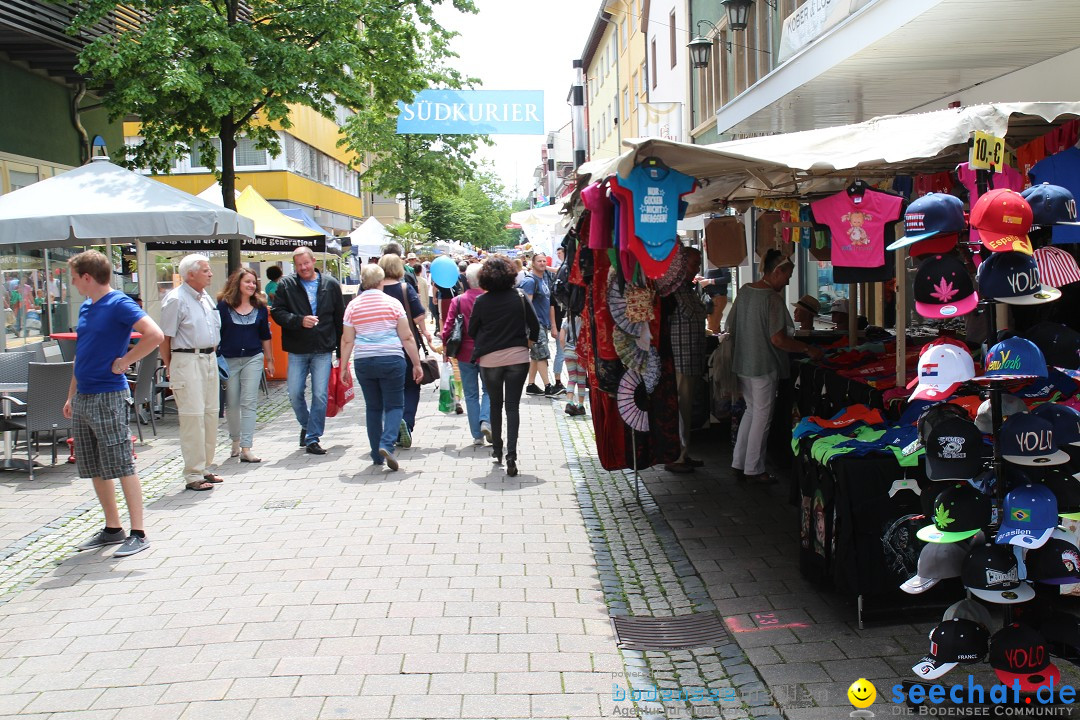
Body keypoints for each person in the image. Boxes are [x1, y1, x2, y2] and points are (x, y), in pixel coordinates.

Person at [65, 250, 164, 557]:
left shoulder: (118, 302)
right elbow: (83, 353)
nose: (72, 283)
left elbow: (155, 334)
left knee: (121, 462)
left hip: (108, 395)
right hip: (84, 395)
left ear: (87, 277)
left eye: (73, 277)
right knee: (94, 464)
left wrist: (124, 362)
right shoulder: (86, 306)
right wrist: (71, 394)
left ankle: (138, 531)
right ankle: (112, 528)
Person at [727, 249, 824, 484]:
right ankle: (754, 468)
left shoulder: (744, 291)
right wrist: (806, 348)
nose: (787, 281)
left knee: (751, 413)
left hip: (742, 363)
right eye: (787, 276)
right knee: (761, 417)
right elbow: (778, 339)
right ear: (777, 272)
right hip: (762, 365)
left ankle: (739, 463)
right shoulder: (771, 298)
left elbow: (731, 325)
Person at [340, 264, 423, 471]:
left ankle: (376, 455)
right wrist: (416, 363)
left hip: (364, 360)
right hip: (391, 359)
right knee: (395, 405)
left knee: (373, 407)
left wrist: (343, 367)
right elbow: (406, 336)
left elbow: (347, 340)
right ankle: (387, 444)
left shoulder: (353, 306)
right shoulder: (393, 304)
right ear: (380, 281)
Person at [469, 255, 540, 477]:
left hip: (490, 361)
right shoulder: (519, 296)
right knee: (512, 407)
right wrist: (525, 345)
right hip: (518, 358)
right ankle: (512, 455)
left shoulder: (481, 301)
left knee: (495, 406)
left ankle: (497, 450)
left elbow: (471, 331)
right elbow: (535, 326)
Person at [270, 246, 345, 455]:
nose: (303, 267)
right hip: (297, 347)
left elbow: (340, 318)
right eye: (299, 264)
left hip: (323, 348)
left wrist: (342, 351)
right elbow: (277, 313)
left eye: (306, 263)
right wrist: (298, 321)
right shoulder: (287, 285)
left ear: (313, 261)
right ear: (294, 266)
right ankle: (307, 424)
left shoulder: (330, 284)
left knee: (320, 395)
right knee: (294, 393)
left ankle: (313, 437)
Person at [160, 254, 224, 491]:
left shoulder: (205, 297)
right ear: (191, 274)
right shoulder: (176, 299)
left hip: (208, 358)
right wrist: (170, 367)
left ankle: (205, 466)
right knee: (192, 417)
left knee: (210, 413)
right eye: (205, 270)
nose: (210, 274)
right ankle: (193, 473)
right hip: (186, 359)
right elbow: (164, 338)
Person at [217, 268, 274, 463]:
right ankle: (235, 440)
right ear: (237, 284)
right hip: (229, 359)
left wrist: (270, 359)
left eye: (254, 282)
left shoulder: (259, 306)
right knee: (231, 404)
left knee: (249, 402)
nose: (251, 285)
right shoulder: (224, 306)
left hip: (253, 357)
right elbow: (217, 332)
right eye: (247, 282)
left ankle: (246, 447)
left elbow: (265, 335)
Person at [666, 248, 710, 474]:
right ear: (682, 265)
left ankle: (685, 453)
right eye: (694, 264)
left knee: (688, 409)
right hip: (680, 360)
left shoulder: (690, 290)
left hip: (692, 359)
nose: (698, 268)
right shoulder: (671, 293)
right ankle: (677, 456)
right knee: (680, 409)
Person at [378, 253, 428, 445]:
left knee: (385, 390)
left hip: (380, 345)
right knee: (411, 385)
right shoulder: (405, 288)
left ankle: (391, 428)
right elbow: (418, 316)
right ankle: (406, 422)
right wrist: (425, 333)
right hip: (406, 344)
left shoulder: (371, 289)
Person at [443, 262, 491, 446]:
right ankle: (486, 420)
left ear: (468, 280)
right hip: (487, 352)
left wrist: (447, 349)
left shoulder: (458, 300)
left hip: (464, 353)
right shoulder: (489, 299)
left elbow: (448, 328)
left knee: (471, 395)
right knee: (488, 391)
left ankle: (477, 435)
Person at [519, 252, 556, 396]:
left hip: (542, 323)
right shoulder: (530, 281)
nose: (542, 263)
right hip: (535, 324)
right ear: (533, 263)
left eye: (544, 261)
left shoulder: (543, 280)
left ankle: (531, 384)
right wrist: (531, 326)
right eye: (539, 261)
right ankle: (548, 386)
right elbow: (526, 306)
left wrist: (552, 324)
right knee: (541, 355)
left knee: (536, 355)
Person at [560, 314, 587, 417]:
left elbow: (562, 338)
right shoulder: (584, 320)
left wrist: (565, 350)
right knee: (581, 380)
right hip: (581, 353)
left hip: (568, 352)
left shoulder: (566, 319)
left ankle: (570, 402)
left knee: (572, 378)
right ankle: (580, 405)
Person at [696, 266, 730, 335]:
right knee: (714, 325)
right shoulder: (710, 265)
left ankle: (714, 342)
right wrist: (703, 279)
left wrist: (709, 281)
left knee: (712, 326)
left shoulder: (720, 264)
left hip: (717, 297)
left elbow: (727, 278)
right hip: (711, 298)